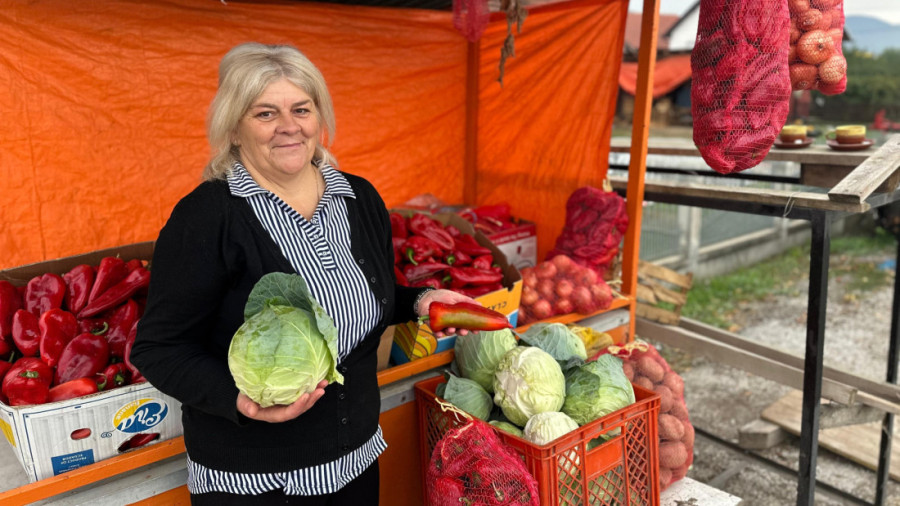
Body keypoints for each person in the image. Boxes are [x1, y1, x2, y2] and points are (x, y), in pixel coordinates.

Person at [130, 42, 475, 505]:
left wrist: (419, 300)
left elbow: (361, 298)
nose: (289, 127)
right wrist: (239, 400)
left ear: (319, 116)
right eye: (265, 113)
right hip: (256, 482)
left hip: (353, 463)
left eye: (301, 109)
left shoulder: (358, 197)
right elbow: (159, 349)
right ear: (234, 128)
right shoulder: (207, 217)